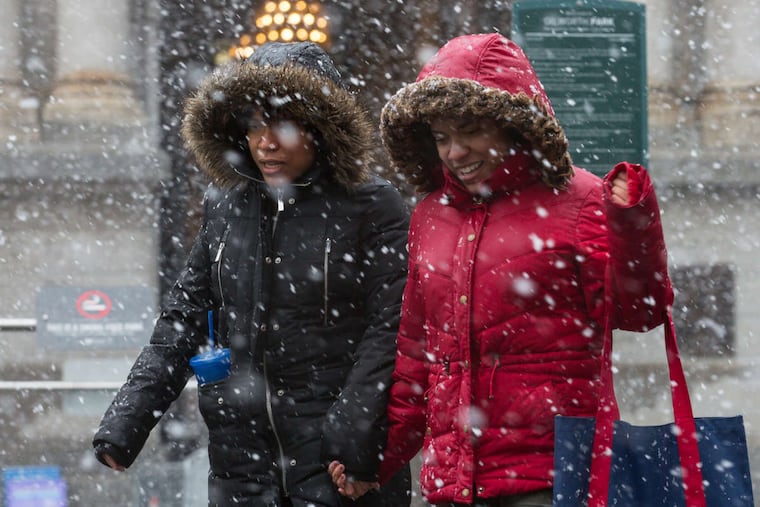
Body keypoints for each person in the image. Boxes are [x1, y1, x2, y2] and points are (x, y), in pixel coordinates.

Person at [329, 33, 673, 507]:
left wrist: (631, 222)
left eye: (469, 131)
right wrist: (379, 459)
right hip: (454, 483)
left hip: (552, 477)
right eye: (442, 137)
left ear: (513, 124)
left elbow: (639, 311)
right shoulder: (430, 216)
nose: (455, 152)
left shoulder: (581, 200)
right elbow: (416, 355)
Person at [93, 41, 412, 507]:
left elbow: (392, 330)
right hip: (240, 463)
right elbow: (182, 318)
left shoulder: (371, 205)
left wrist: (354, 435)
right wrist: (127, 421)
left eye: (282, 124)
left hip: (339, 464)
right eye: (252, 124)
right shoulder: (226, 205)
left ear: (321, 128)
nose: (264, 142)